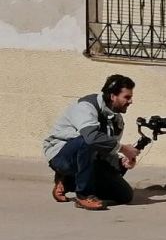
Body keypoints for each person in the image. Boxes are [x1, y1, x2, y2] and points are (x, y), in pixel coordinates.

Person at [43, 74, 139, 210]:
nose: (131, 101)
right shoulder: (86, 107)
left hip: (89, 159)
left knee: (125, 195)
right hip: (61, 156)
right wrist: (123, 148)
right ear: (113, 96)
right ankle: (84, 195)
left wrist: (123, 162)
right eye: (127, 97)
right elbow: (91, 138)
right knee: (88, 140)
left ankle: (68, 182)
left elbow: (108, 150)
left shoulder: (117, 121)